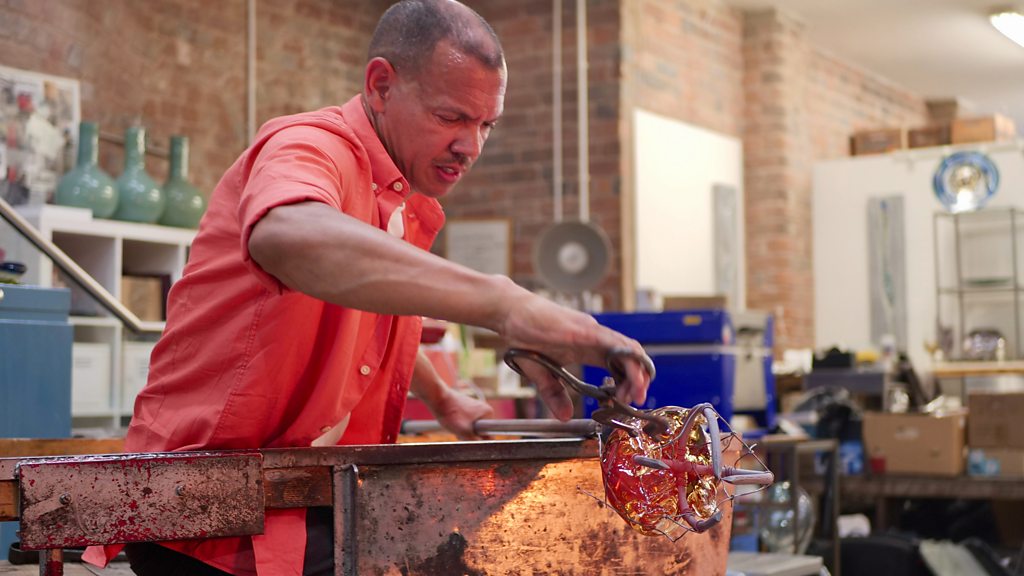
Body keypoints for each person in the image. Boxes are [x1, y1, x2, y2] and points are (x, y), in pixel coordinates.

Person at [85, 1, 652, 575]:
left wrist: (441, 397)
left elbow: (367, 315)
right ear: (381, 85)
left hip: (306, 496)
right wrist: (509, 306)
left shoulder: (405, 203)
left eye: (486, 125)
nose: (471, 146)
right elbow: (287, 235)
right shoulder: (309, 146)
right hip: (206, 512)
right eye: (451, 117)